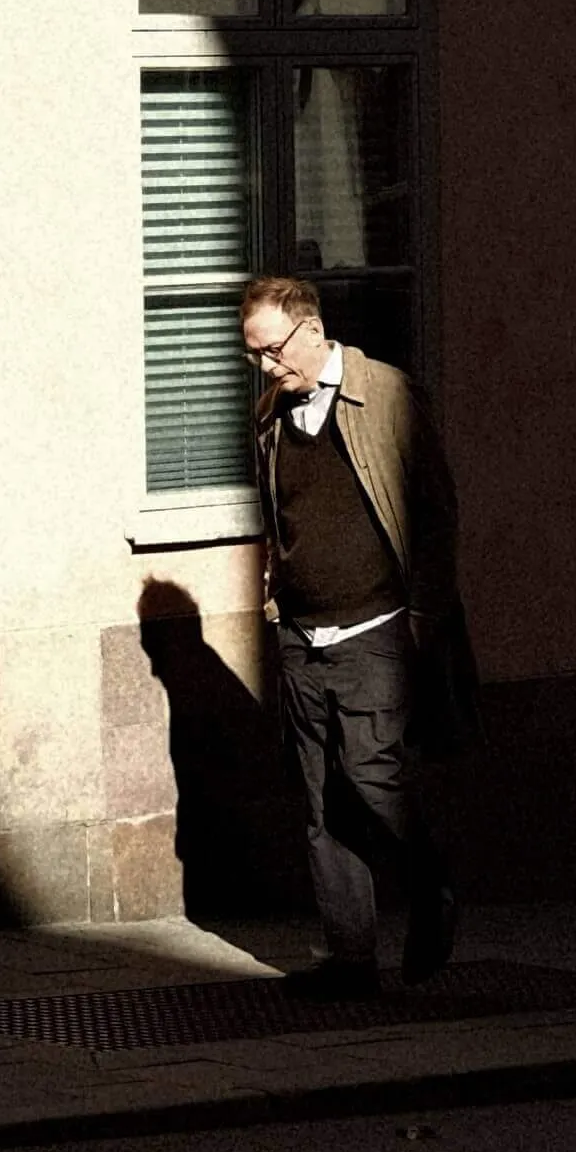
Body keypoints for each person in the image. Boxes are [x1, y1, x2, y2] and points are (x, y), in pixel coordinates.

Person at [241, 274, 482, 996]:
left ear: (312, 330)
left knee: (372, 776)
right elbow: (278, 517)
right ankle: (351, 959)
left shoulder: (388, 396)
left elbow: (436, 515)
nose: (265, 367)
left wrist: (423, 617)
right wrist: (274, 601)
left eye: (273, 351)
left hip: (377, 629)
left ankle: (432, 885)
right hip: (302, 635)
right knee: (321, 800)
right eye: (251, 355)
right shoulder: (271, 413)